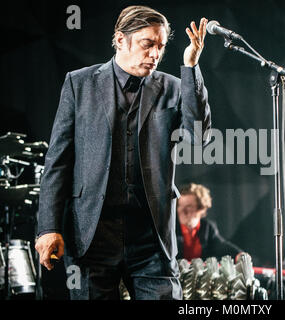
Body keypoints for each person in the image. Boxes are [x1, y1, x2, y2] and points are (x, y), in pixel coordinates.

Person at [34, 5, 211, 300]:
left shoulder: (174, 87)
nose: (155, 54)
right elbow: (58, 161)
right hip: (91, 234)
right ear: (120, 40)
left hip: (152, 238)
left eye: (161, 46)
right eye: (148, 44)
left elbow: (200, 136)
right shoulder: (79, 84)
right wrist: (48, 227)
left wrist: (191, 68)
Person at [176, 183, 243, 261]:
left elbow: (220, 245)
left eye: (189, 206)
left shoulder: (207, 227)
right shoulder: (170, 228)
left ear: (201, 209)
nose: (182, 211)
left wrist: (239, 255)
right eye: (180, 205)